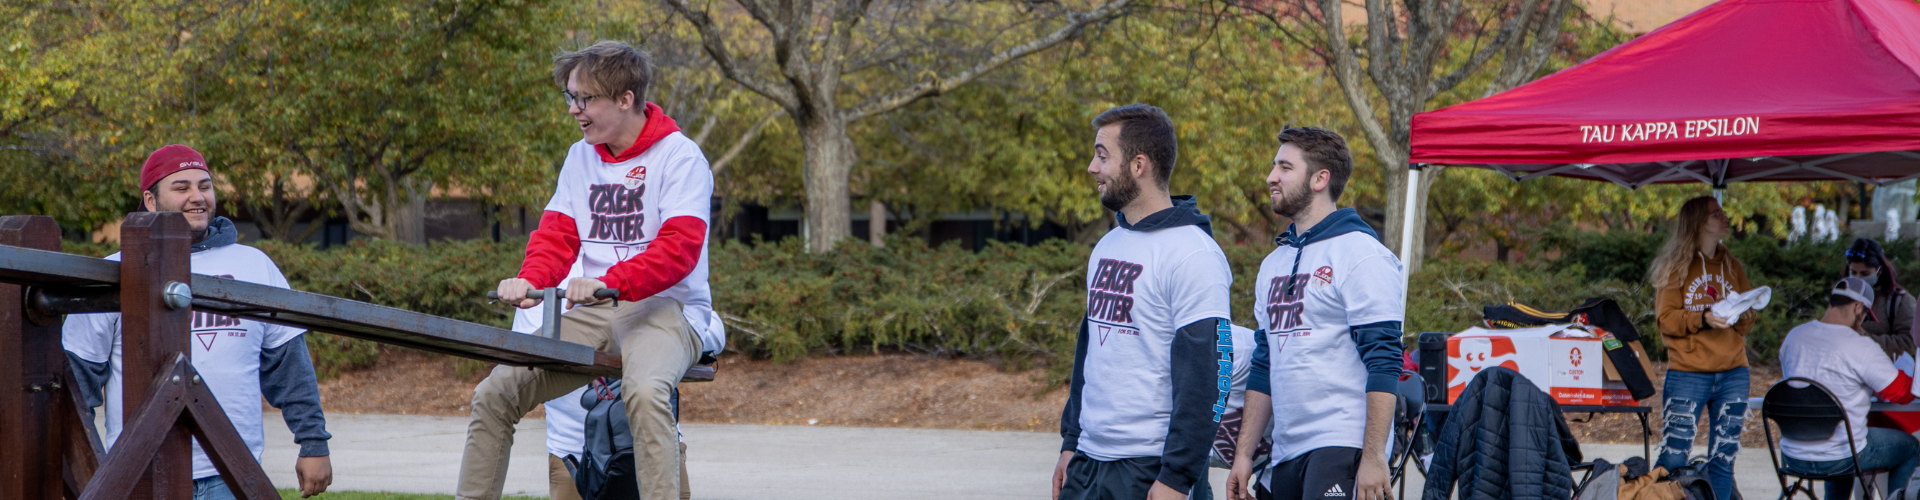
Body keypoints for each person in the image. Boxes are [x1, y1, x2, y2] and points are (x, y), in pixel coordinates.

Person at [457, 40, 723, 500]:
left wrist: (611, 282)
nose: (574, 110)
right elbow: (556, 236)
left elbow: (679, 250)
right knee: (495, 393)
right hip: (596, 310)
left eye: (585, 99)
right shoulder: (580, 157)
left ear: (625, 99)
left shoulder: (680, 158)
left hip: (663, 310)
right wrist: (532, 279)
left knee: (644, 394)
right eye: (571, 97)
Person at [64, 144, 333, 499]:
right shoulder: (114, 271)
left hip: (233, 471)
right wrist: (79, 467)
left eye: (204, 185)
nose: (198, 197)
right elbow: (78, 383)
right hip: (139, 472)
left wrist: (313, 443)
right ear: (150, 199)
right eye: (182, 188)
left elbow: (289, 367)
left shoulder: (254, 266)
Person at [1053, 104, 1232, 500]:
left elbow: (1204, 378)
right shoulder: (1108, 245)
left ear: (1138, 165)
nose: (1091, 167)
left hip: (1151, 466)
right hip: (1088, 462)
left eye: (1102, 156)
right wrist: (1071, 442)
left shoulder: (1193, 254)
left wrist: (1177, 477)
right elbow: (1090, 352)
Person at [1226, 127, 1403, 500]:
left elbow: (1385, 361)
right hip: (1287, 451)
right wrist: (1243, 454)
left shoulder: (1361, 254)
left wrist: (1373, 456)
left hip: (1343, 444)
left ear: (1320, 179)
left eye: (1285, 167)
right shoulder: (1273, 263)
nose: (1271, 177)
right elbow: (1264, 364)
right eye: (1275, 166)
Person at [1648, 195, 1754, 500]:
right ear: (1698, 223)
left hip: (1734, 371)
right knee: (1674, 458)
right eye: (1715, 214)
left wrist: (1745, 311)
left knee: (1723, 459)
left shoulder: (1731, 265)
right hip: (1689, 372)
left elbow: (1746, 324)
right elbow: (1666, 320)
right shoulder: (1675, 266)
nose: (1724, 217)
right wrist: (1705, 318)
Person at [1777, 276, 1919, 500]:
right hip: (1842, 455)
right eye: (1864, 315)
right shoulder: (1859, 346)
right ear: (1857, 307)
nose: (1863, 322)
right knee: (1910, 447)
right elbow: (1900, 392)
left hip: (1792, 453)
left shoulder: (1794, 337)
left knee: (1842, 437)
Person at [1843, 238, 1917, 359]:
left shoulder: (1900, 301)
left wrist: (1864, 337)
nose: (1858, 278)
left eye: (1865, 273)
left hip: (1887, 371)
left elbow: (1910, 342)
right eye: (1853, 272)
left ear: (1880, 270)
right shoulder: (1843, 297)